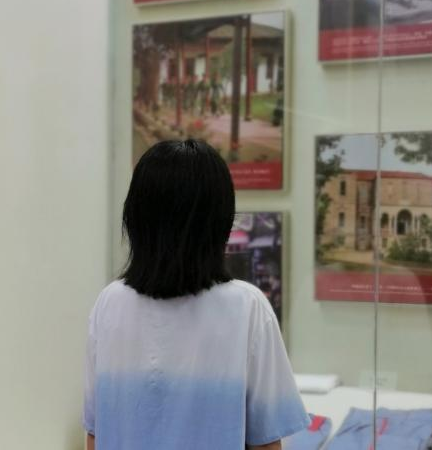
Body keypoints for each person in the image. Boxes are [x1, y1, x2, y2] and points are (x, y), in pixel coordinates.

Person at [83, 139, 309, 450]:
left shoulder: (110, 303)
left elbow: (95, 434)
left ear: (135, 217)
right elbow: (266, 443)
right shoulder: (246, 307)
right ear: (219, 221)